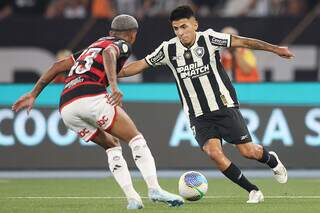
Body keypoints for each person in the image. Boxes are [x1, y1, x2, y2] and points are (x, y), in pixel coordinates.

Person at [119, 5, 294, 204]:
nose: (180, 32)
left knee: (248, 152)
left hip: (223, 105)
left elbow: (242, 41)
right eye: (176, 28)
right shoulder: (168, 49)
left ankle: (271, 160)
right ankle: (253, 190)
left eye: (184, 27)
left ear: (195, 24)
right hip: (197, 114)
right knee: (214, 153)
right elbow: (140, 64)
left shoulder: (209, 39)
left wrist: (275, 49)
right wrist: (109, 73)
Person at [11, 14, 184, 210]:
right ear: (132, 34)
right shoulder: (122, 43)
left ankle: (133, 199)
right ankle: (154, 189)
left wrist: (34, 94)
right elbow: (110, 52)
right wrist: (113, 86)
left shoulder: (92, 47)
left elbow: (57, 66)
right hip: (91, 96)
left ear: (110, 32)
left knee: (112, 145)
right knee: (136, 139)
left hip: (67, 106)